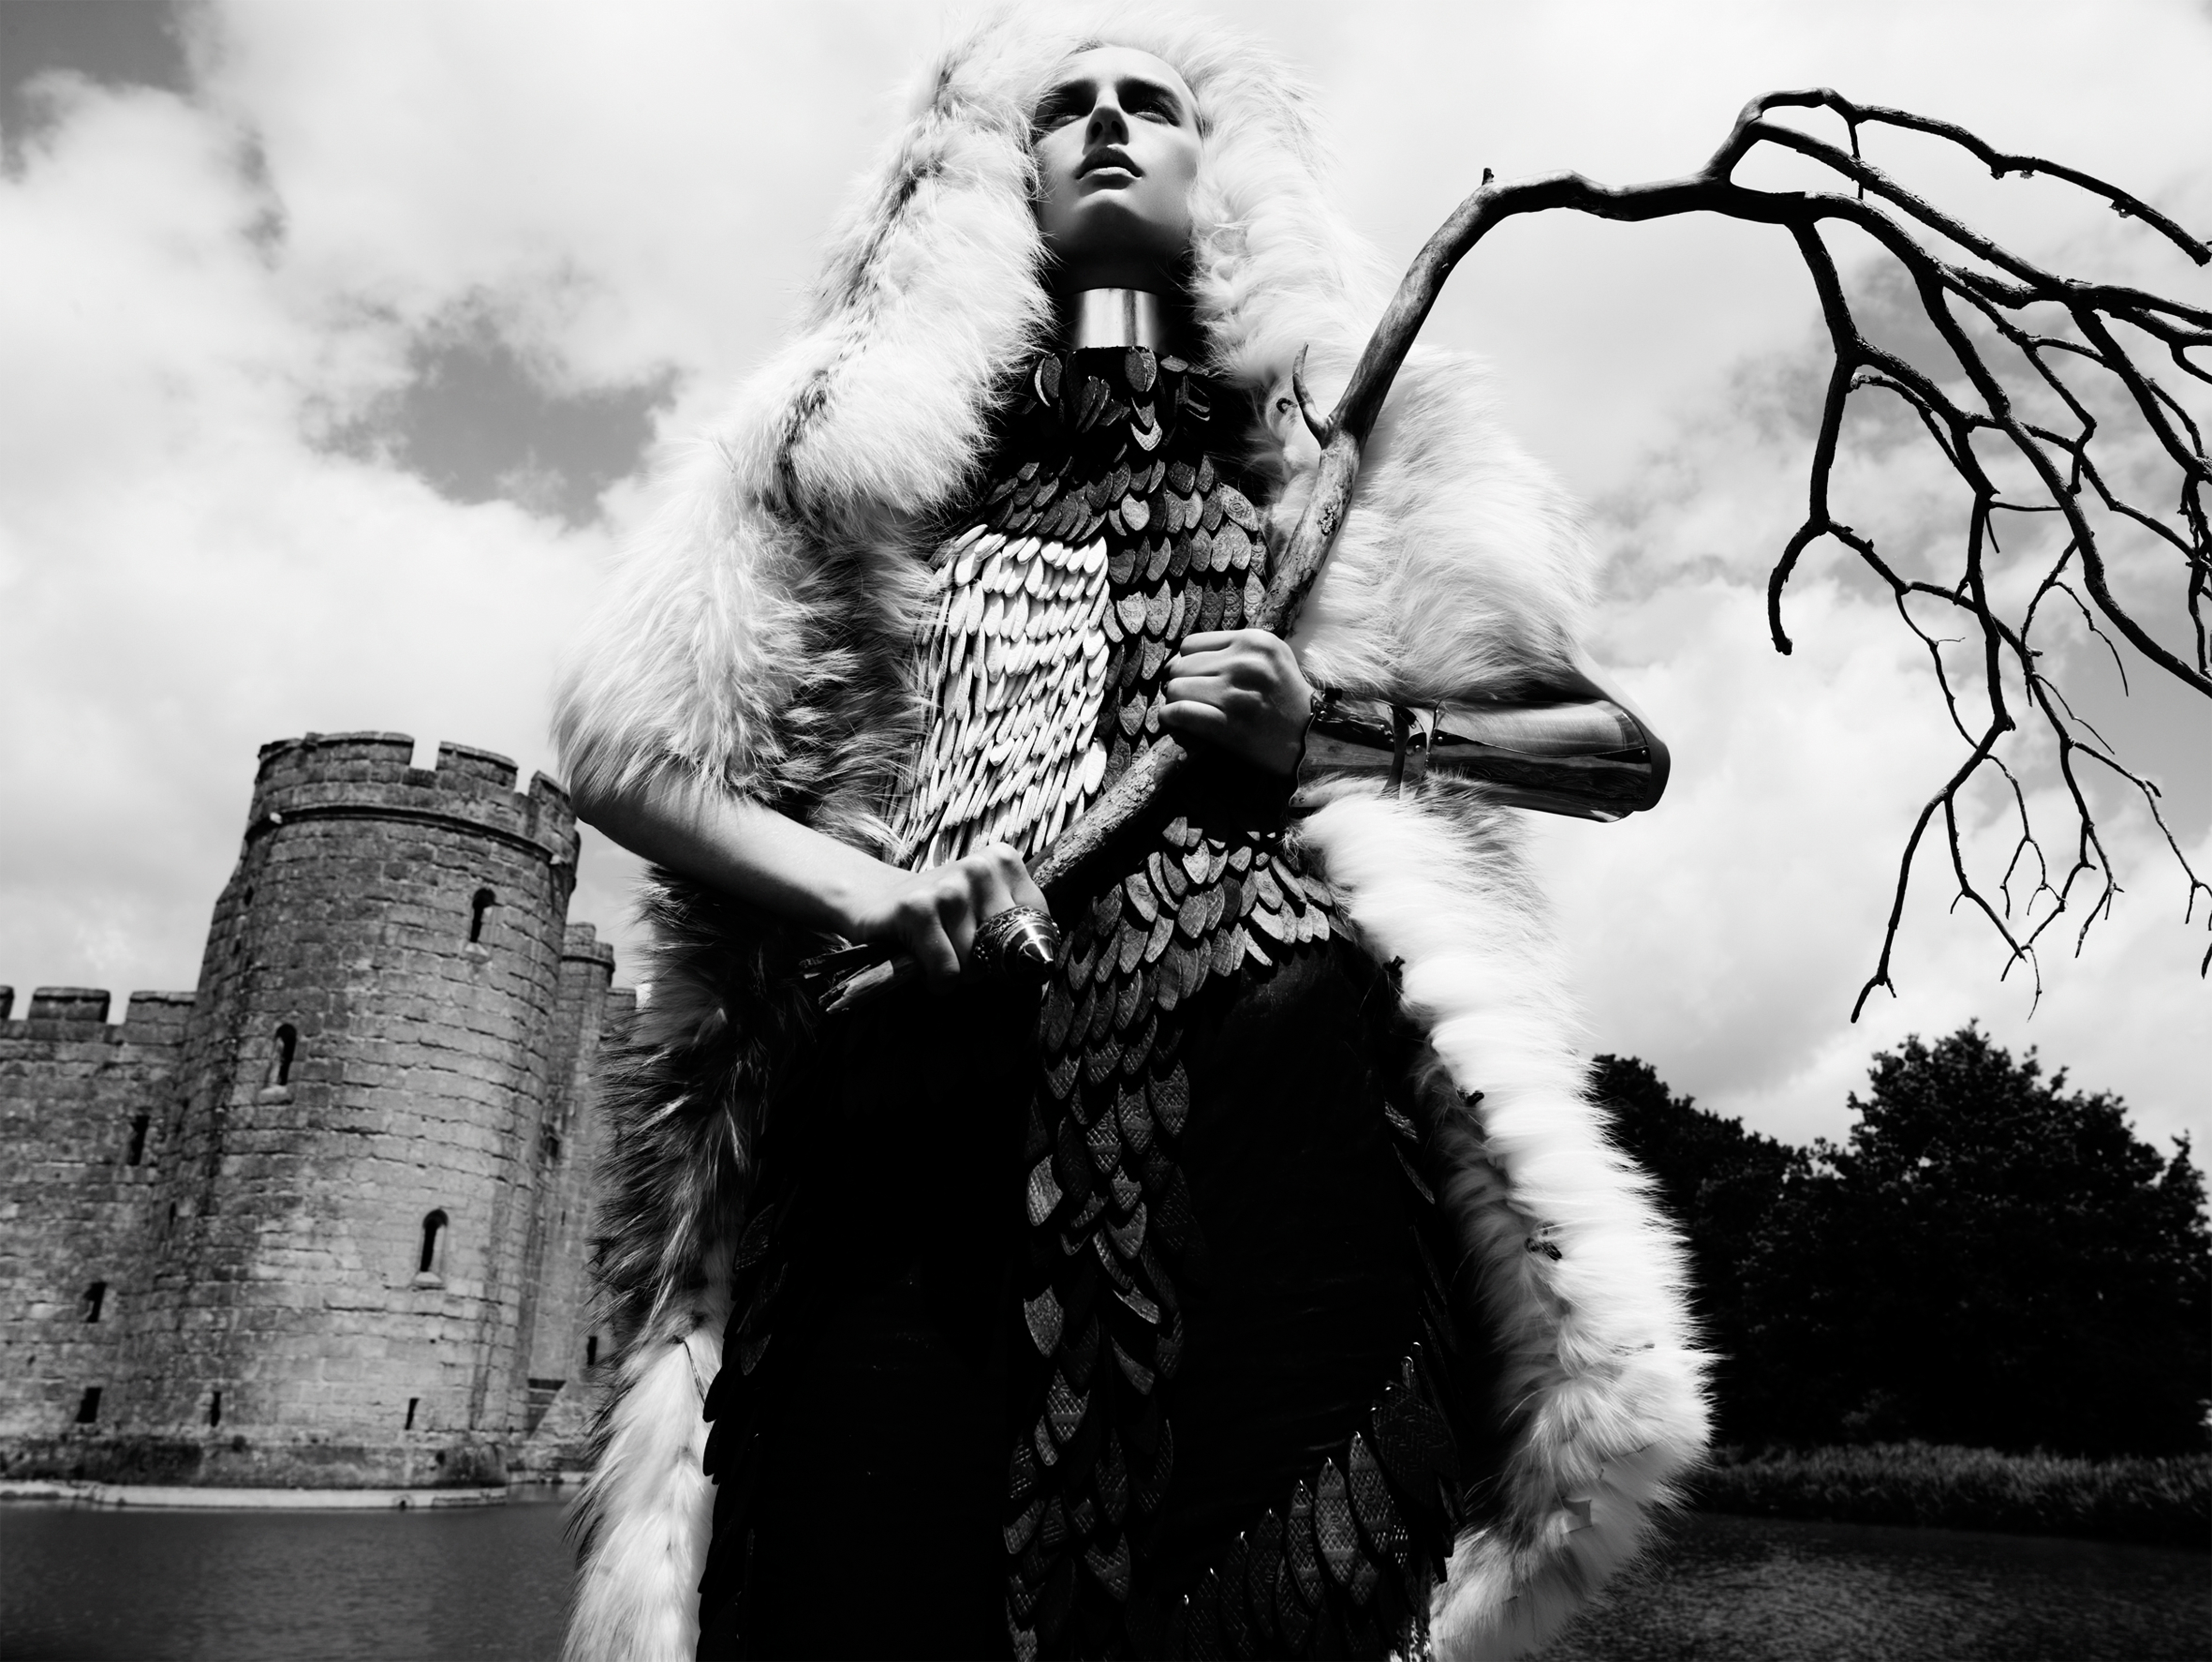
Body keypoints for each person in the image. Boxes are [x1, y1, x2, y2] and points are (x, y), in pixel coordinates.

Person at [555, 14, 1707, 1662]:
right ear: (995, 175)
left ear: (1215, 168)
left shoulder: (1343, 462)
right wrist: (874, 898)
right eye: (1064, 108)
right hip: (897, 1142)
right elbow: (626, 755)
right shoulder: (858, 459)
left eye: (1149, 104)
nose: (1105, 124)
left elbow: (1613, 756)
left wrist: (1333, 727)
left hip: (1274, 1123)